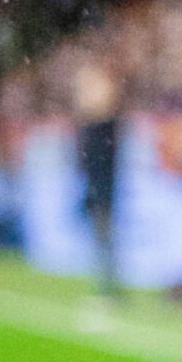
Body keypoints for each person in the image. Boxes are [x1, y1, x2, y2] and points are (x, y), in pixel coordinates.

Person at [72, 61, 122, 299]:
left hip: (102, 190)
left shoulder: (104, 126)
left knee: (104, 239)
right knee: (101, 239)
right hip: (96, 189)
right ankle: (105, 286)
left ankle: (107, 289)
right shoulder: (92, 127)